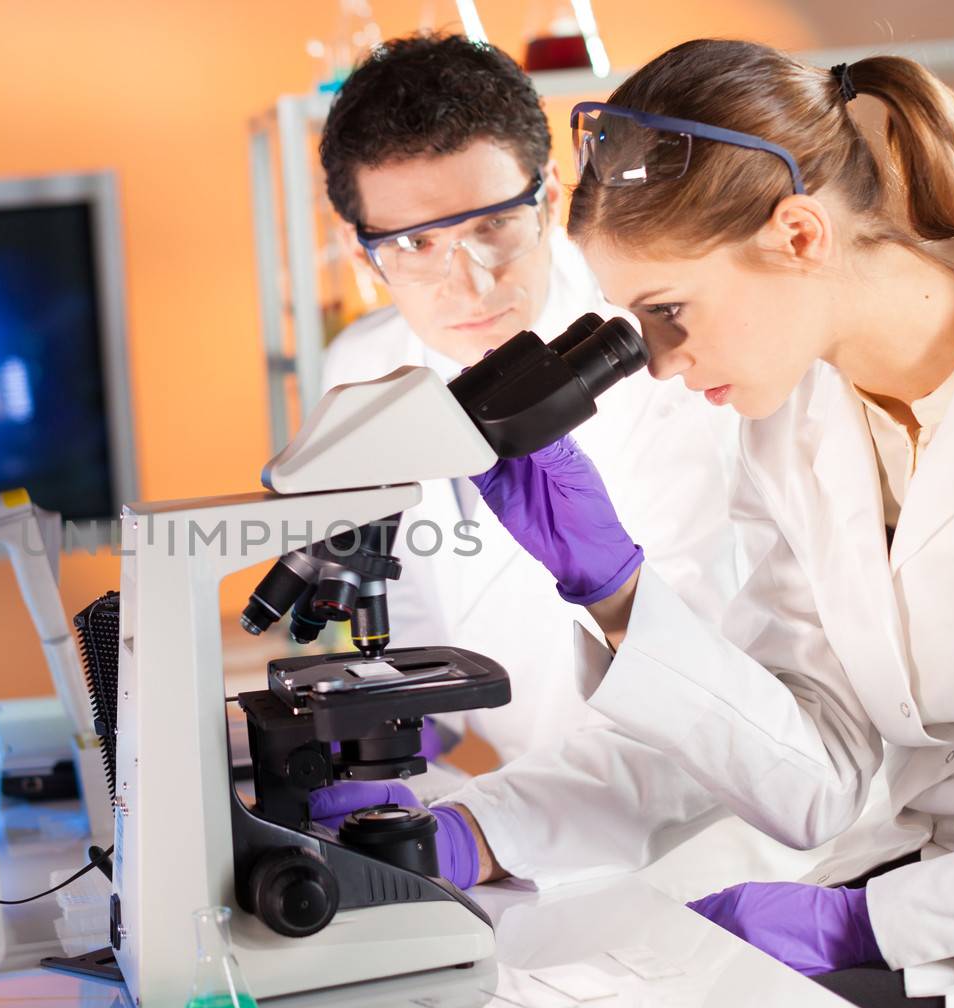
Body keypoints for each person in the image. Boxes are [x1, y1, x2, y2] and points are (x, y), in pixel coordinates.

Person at [452, 38, 954, 1008]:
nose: (659, 363)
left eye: (666, 313)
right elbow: (821, 774)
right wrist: (617, 591)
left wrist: (870, 924)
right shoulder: (792, 427)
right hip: (921, 918)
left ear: (800, 232)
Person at [316, 33, 738, 764]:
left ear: (547, 198)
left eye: (493, 226)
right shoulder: (365, 366)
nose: (471, 283)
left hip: (709, 817)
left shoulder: (668, 348)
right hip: (522, 823)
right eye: (415, 246)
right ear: (365, 256)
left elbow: (719, 685)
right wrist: (374, 755)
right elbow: (410, 620)